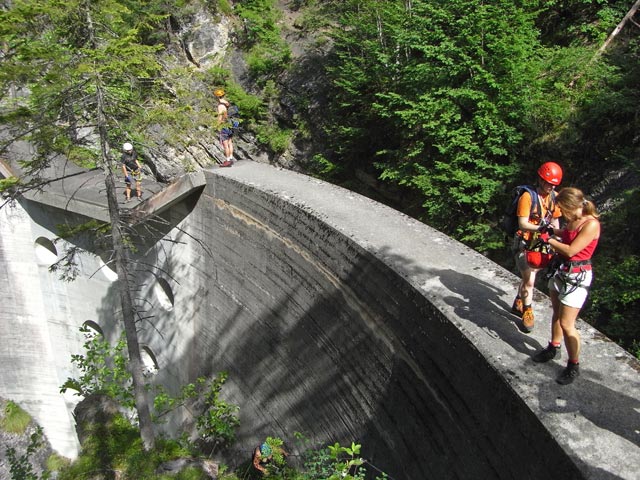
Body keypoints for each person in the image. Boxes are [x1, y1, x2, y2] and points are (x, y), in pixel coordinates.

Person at [532, 187, 600, 385]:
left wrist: (550, 240)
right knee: (556, 313)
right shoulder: (573, 220)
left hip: (577, 276)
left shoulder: (591, 225)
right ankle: (553, 347)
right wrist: (554, 231)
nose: (561, 212)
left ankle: (573, 364)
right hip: (562, 271)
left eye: (563, 208)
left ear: (572, 206)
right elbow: (569, 235)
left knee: (567, 324)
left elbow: (571, 250)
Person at [511, 161, 563, 332]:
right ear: (541, 180)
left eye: (554, 184)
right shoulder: (528, 197)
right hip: (525, 244)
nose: (551, 187)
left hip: (540, 245)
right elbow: (522, 223)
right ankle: (527, 311)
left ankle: (519, 299)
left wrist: (558, 237)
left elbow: (555, 220)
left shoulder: (554, 198)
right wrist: (542, 229)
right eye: (549, 183)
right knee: (530, 280)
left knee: (530, 278)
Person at [214, 88, 234, 168]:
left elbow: (220, 116)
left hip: (224, 125)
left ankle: (228, 161)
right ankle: (231, 158)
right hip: (229, 124)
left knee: (225, 144)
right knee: (230, 142)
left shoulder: (220, 106)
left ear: (217, 97)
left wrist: (218, 126)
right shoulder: (226, 103)